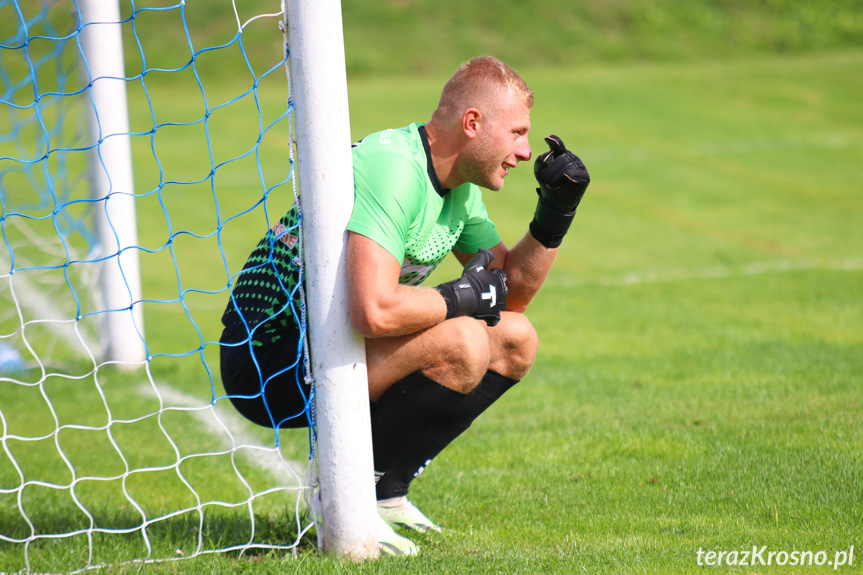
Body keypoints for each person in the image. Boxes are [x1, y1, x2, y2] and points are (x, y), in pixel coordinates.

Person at [219, 56, 590, 554]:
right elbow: (373, 311)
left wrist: (555, 213)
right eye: (518, 133)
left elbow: (511, 298)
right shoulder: (395, 168)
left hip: (334, 344)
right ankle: (341, 494)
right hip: (265, 359)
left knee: (513, 340)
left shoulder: (458, 189)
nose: (525, 151)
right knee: (462, 341)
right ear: (472, 123)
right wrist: (459, 299)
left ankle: (385, 491)